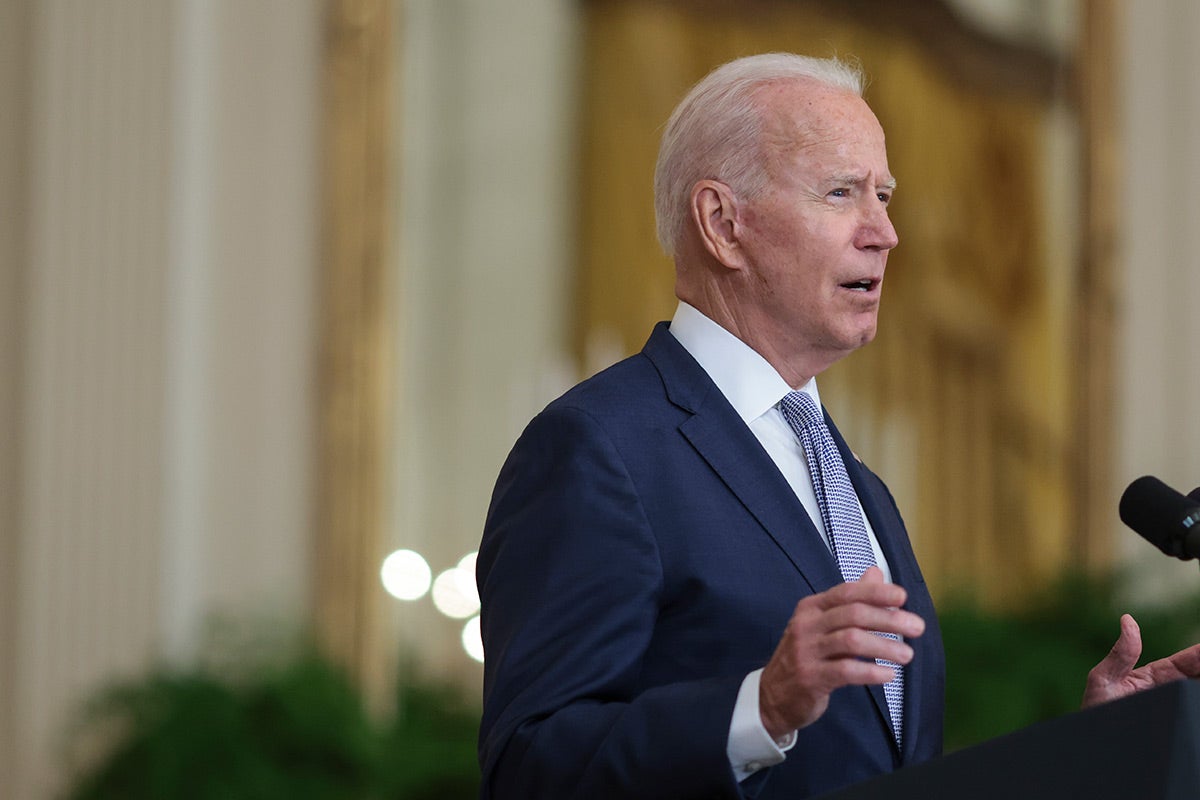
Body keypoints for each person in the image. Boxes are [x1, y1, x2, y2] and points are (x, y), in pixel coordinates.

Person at [476, 52, 1200, 800]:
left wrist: (1099, 748)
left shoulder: (858, 485)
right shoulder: (598, 448)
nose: (885, 233)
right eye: (841, 193)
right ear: (723, 224)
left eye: (883, 196)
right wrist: (759, 709)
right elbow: (530, 769)